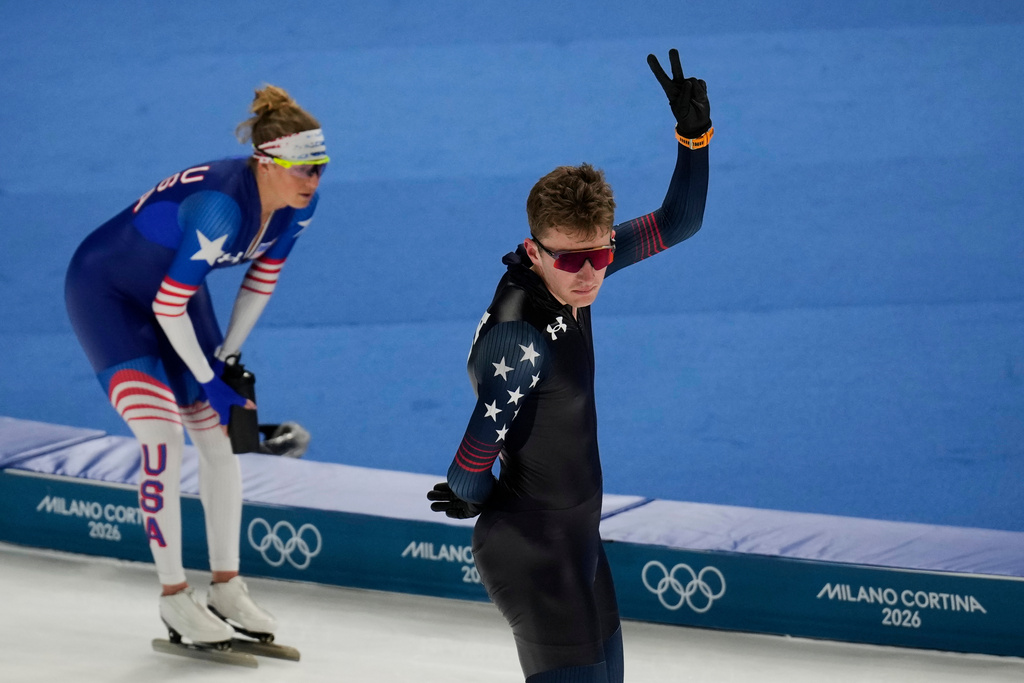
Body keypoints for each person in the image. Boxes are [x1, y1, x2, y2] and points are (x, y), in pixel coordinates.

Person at [428, 50, 712, 682]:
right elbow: (468, 467)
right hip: (532, 552)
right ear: (534, 251)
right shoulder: (521, 339)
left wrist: (693, 137)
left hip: (580, 538)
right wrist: (475, 498)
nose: (587, 277)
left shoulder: (574, 263)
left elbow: (680, 222)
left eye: (600, 258)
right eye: (570, 261)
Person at [65, 85, 328, 647]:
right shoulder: (221, 206)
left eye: (320, 168)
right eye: (304, 169)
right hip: (109, 296)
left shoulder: (299, 205)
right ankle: (174, 596)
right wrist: (209, 380)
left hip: (178, 295)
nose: (313, 181)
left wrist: (227, 358)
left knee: (218, 438)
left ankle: (227, 587)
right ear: (267, 163)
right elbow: (167, 306)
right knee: (162, 436)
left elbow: (262, 279)